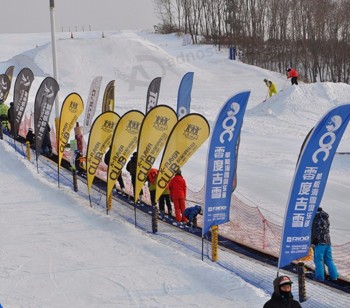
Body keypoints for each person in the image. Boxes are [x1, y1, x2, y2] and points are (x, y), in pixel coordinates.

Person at [311, 207, 338, 281]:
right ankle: (334, 276)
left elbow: (316, 230)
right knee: (329, 260)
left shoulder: (316, 218)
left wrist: (314, 240)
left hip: (319, 242)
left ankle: (320, 277)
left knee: (318, 260)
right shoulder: (325, 217)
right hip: (327, 241)